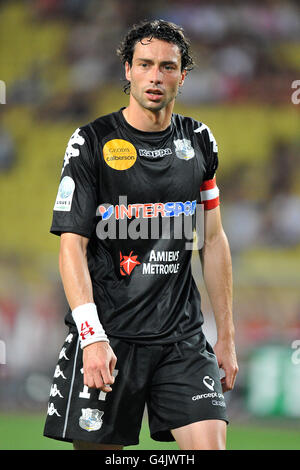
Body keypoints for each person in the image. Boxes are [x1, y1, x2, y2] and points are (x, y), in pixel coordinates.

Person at [43, 19, 238, 450]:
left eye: (167, 67)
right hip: (109, 339)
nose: (155, 76)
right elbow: (71, 245)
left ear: (182, 76)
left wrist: (225, 335)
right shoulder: (90, 142)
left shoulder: (200, 141)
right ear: (127, 71)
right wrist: (91, 336)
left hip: (182, 340)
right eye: (145, 64)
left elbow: (213, 239)